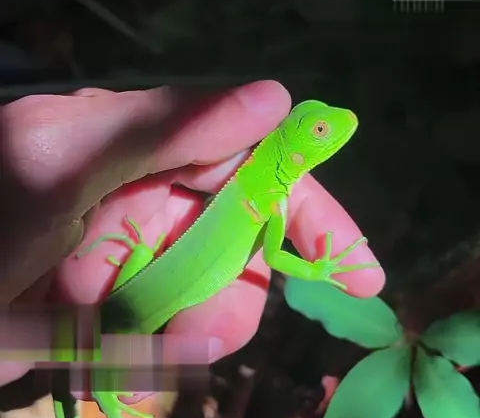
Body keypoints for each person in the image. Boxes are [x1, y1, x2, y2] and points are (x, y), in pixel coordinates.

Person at [0, 81, 384, 393]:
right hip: (137, 306)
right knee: (108, 354)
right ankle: (105, 395)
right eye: (319, 130)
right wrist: (319, 270)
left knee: (88, 348)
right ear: (294, 155)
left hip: (118, 300)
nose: (338, 123)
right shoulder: (271, 199)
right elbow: (276, 257)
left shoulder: (263, 190)